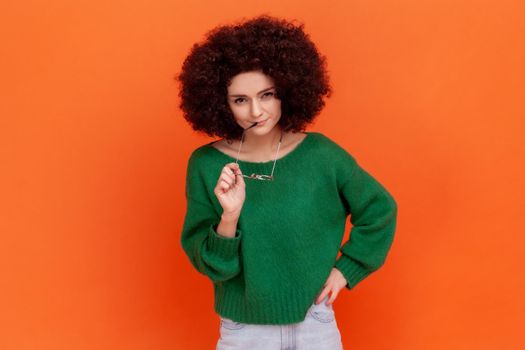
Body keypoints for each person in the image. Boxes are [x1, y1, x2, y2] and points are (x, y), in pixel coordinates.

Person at [176, 14, 398, 350]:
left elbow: (380, 209)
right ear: (221, 104)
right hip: (243, 331)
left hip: (314, 323)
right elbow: (215, 268)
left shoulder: (322, 156)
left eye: (267, 95)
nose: (256, 111)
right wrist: (229, 216)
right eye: (240, 100)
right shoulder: (207, 165)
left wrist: (347, 269)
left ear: (287, 90)